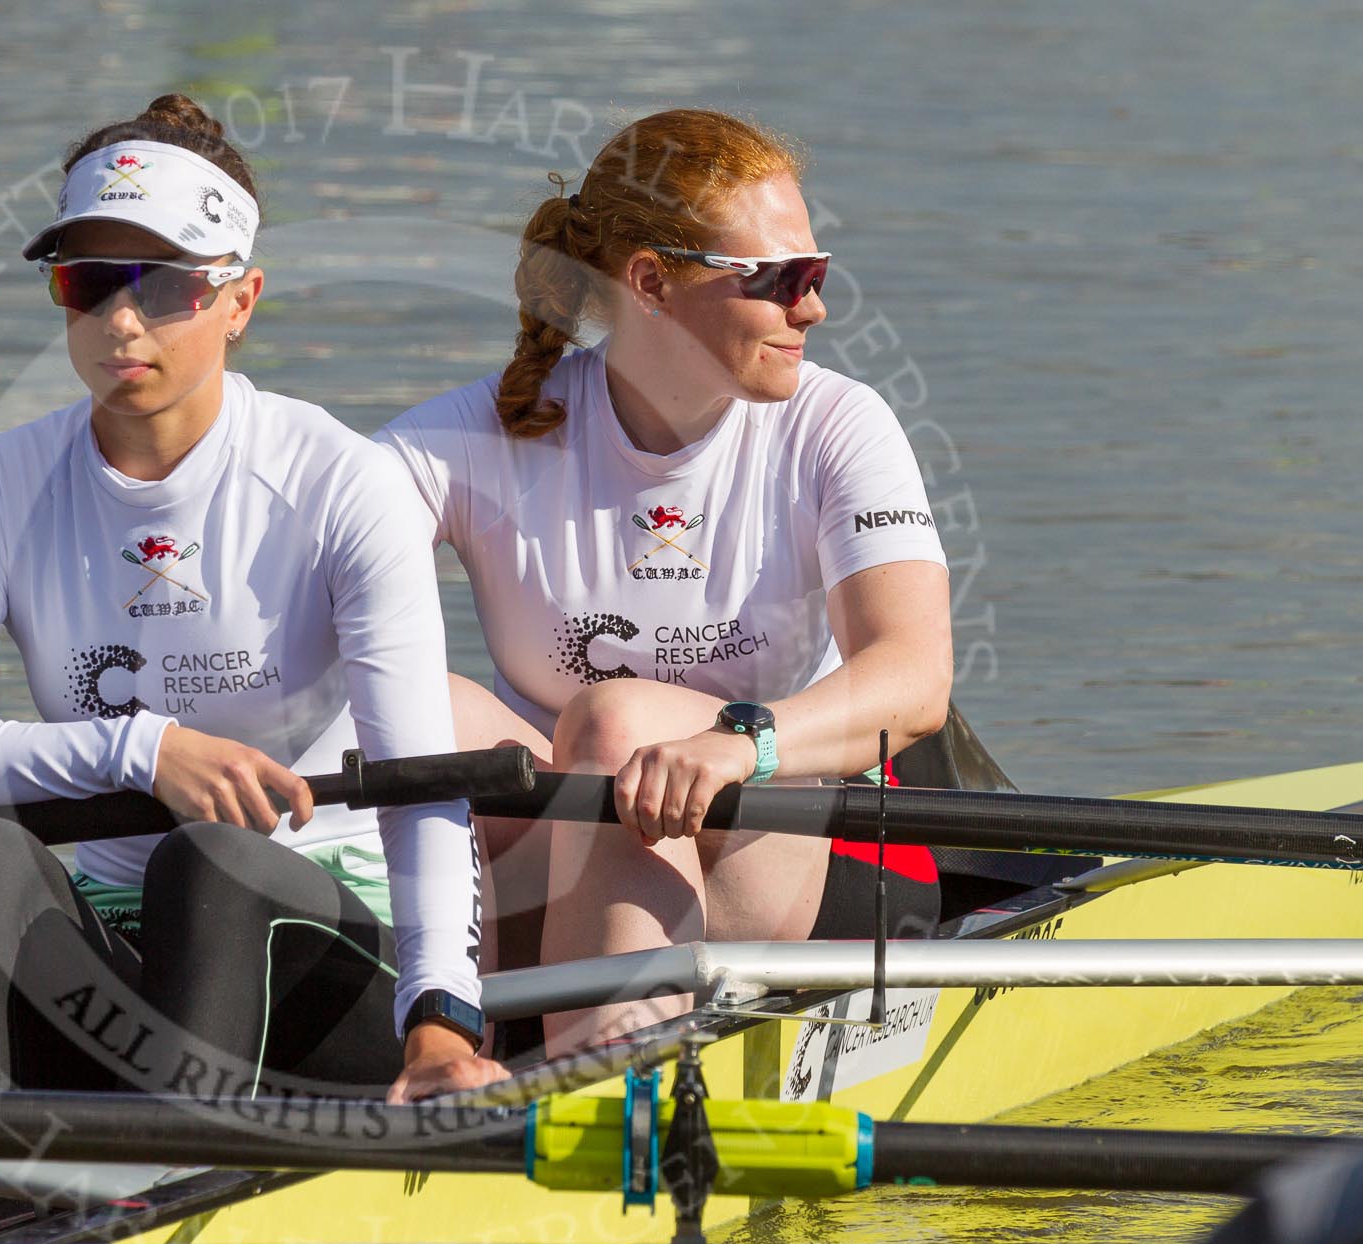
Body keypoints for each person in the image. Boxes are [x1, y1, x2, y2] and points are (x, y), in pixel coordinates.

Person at [0, 94, 502, 1105]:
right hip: (109, 961)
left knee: (213, 862)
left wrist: (443, 1013)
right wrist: (135, 749)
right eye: (90, 282)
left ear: (240, 300)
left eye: (165, 284)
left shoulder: (337, 482)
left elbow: (419, 779)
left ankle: (165, 1186)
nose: (122, 320)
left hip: (312, 958)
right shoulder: (2, 481)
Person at [375, 109, 953, 1051]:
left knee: (620, 723)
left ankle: (600, 1092)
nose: (813, 308)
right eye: (780, 280)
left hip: (758, 838)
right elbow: (292, 588)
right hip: (549, 844)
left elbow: (914, 680)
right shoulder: (471, 435)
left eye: (817, 275)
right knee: (411, 704)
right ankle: (438, 1038)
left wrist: (741, 744)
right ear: (650, 282)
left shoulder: (836, 427)